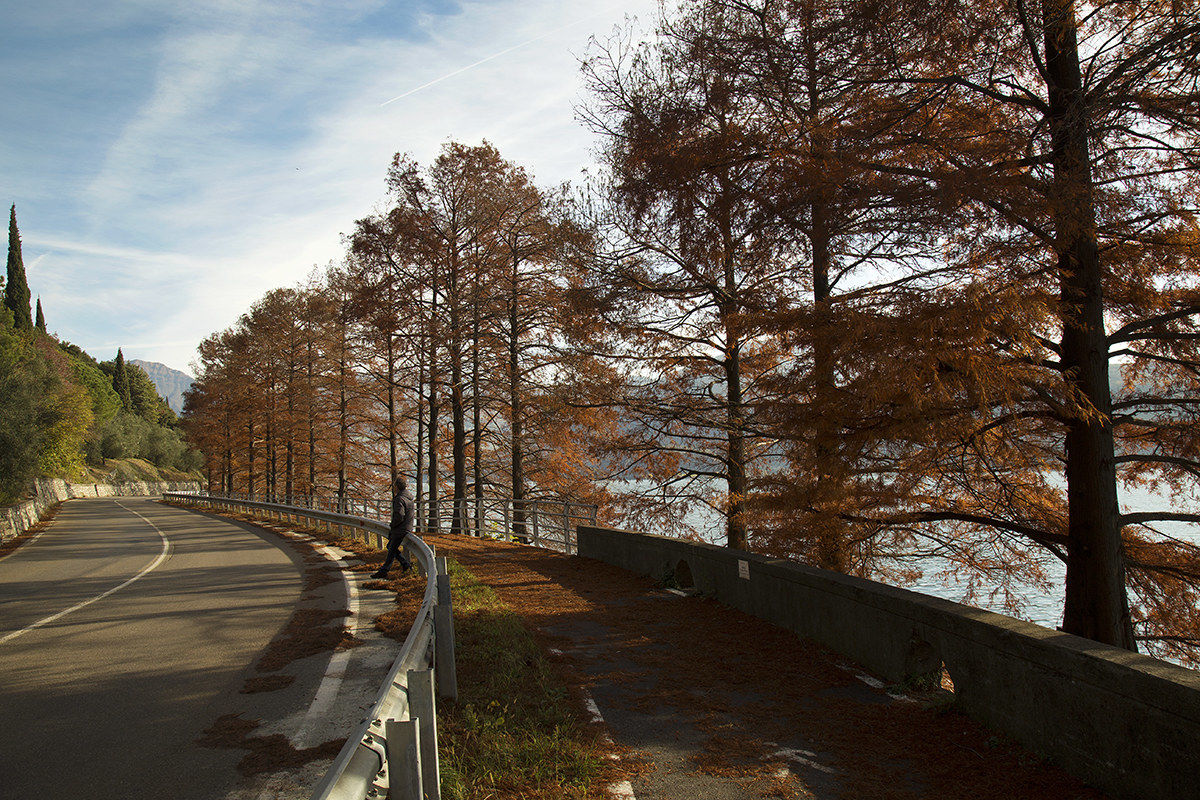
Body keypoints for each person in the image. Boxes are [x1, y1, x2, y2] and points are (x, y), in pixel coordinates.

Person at [371, 475, 413, 579]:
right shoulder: (409, 497)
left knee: (391, 548)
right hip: (407, 527)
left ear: (397, 487)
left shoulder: (399, 499)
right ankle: (405, 565)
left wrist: (393, 524)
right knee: (391, 547)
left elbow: (399, 515)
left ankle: (385, 570)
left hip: (400, 528)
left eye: (394, 486)